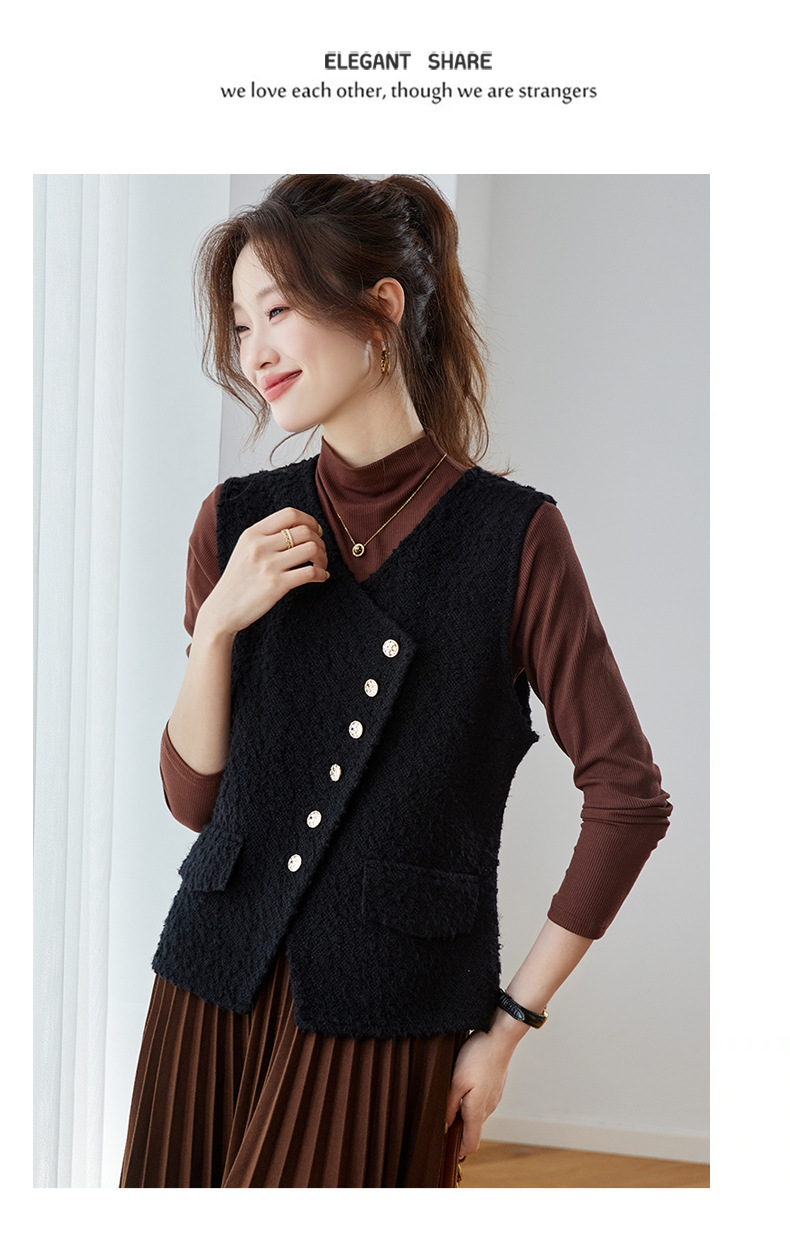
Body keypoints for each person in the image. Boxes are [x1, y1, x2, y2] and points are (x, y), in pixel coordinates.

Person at [119, 174, 671, 1189]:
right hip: (209, 986)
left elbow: (628, 798)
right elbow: (195, 801)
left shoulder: (513, 538)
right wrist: (217, 629)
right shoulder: (233, 522)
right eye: (240, 326)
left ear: (379, 309)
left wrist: (509, 1025)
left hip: (389, 1014)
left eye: (278, 310)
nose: (256, 350)